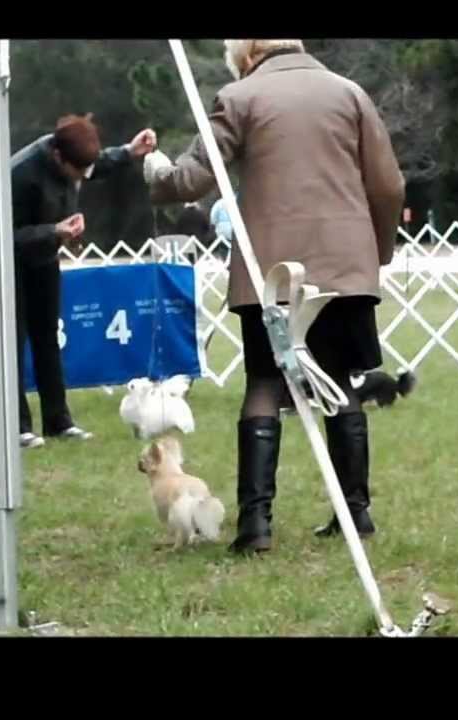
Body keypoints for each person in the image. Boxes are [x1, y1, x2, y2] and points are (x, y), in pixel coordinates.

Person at [143, 39, 405, 554]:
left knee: (264, 383)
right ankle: (355, 512)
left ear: (244, 54)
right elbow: (389, 185)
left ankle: (255, 524)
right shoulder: (349, 93)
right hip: (345, 264)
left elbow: (192, 180)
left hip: (270, 270)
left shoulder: (239, 98)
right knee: (340, 381)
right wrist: (377, 249)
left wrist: (155, 172)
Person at [10, 114, 157, 448]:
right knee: (12, 343)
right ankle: (16, 426)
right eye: (78, 171)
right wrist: (53, 230)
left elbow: (96, 164)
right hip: (10, 264)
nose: (83, 178)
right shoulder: (20, 174)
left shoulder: (71, 156)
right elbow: (3, 233)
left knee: (48, 340)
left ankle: (58, 422)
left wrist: (129, 151)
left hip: (44, 259)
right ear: (58, 156)